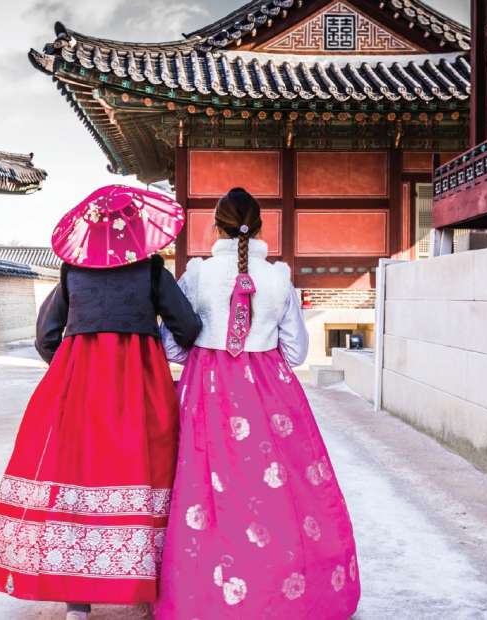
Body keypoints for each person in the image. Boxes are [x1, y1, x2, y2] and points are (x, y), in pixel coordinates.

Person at [0, 186, 201, 620]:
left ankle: (77, 603)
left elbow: (46, 336)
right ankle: (144, 590)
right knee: (145, 470)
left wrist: (69, 364)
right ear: (138, 232)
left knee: (76, 474)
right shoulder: (153, 271)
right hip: (140, 383)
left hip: (78, 380)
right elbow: (189, 328)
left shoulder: (71, 272)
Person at [154, 188, 361, 619]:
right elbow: (298, 350)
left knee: (205, 489)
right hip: (269, 390)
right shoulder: (279, 276)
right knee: (278, 489)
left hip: (208, 390)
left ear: (215, 226)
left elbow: (173, 347)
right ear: (261, 226)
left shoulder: (196, 275)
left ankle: (207, 594)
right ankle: (285, 593)